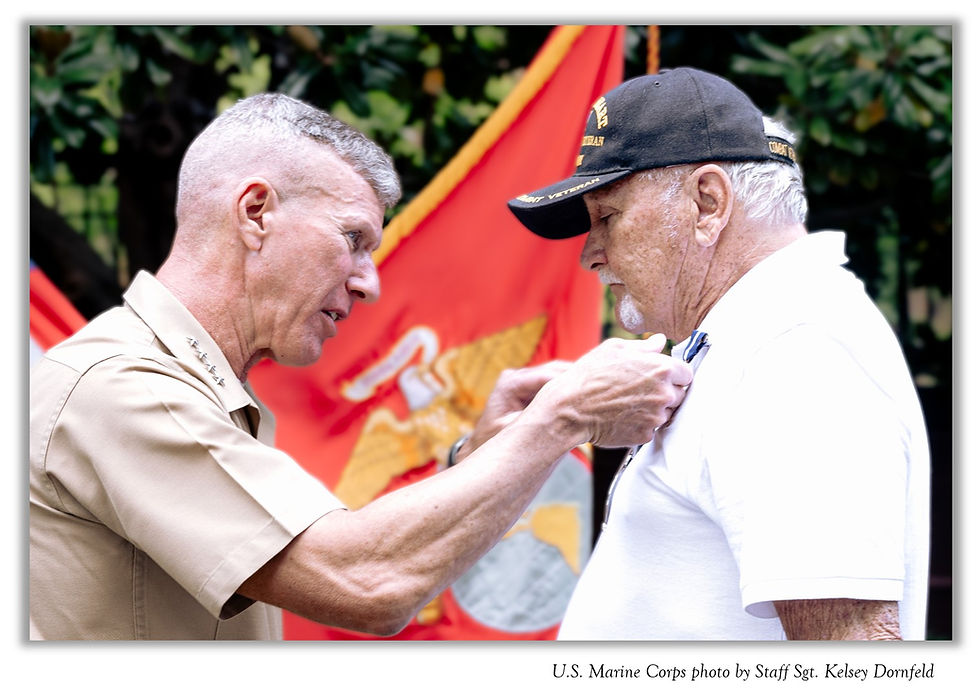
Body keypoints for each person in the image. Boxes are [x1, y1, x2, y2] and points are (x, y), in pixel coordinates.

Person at [29, 93, 695, 640]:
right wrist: (562, 417)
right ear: (255, 212)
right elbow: (366, 583)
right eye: (353, 240)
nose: (368, 284)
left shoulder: (176, 383)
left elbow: (349, 552)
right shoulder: (123, 386)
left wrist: (478, 455)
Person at [507, 67, 931, 640]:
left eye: (607, 217)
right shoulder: (762, 331)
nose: (591, 254)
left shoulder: (795, 349)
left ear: (708, 203)